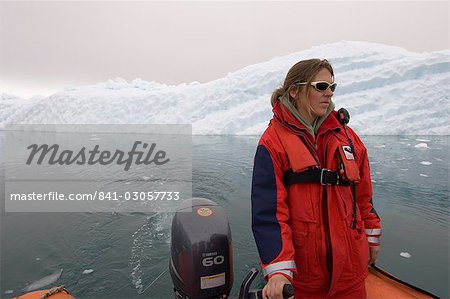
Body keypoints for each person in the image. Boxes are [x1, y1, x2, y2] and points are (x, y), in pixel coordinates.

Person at [251, 59, 382, 299]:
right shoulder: (273, 142)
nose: (329, 93)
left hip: (351, 271)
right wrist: (279, 271)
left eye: (332, 87)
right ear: (295, 90)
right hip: (304, 278)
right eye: (321, 86)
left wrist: (372, 237)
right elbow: (269, 214)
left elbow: (364, 196)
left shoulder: (347, 137)